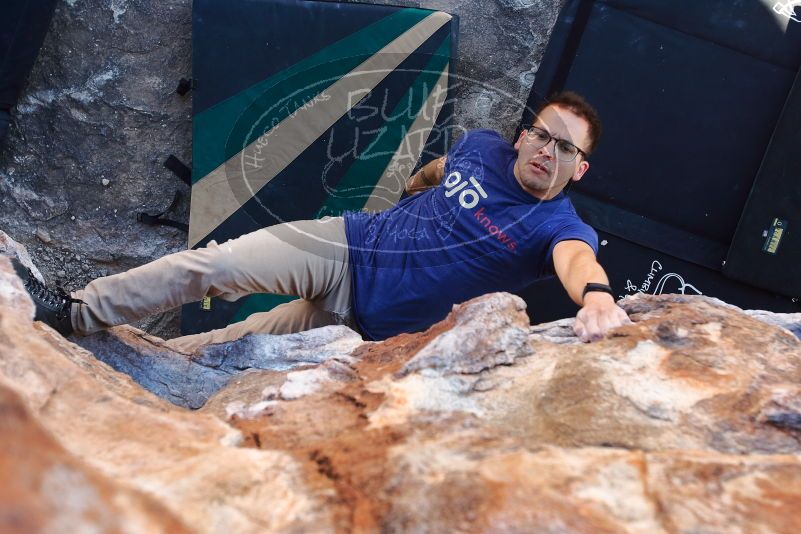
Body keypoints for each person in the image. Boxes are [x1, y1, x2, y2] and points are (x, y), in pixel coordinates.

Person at [11, 91, 631, 352]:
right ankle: (72, 312)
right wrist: (408, 192)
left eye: (566, 149)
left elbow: (577, 262)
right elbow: (438, 170)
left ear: (578, 169)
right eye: (543, 136)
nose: (548, 151)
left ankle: (136, 367)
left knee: (233, 348)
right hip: (344, 246)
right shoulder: (481, 147)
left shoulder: (557, 226)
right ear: (525, 135)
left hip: (368, 328)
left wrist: (597, 297)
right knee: (218, 264)